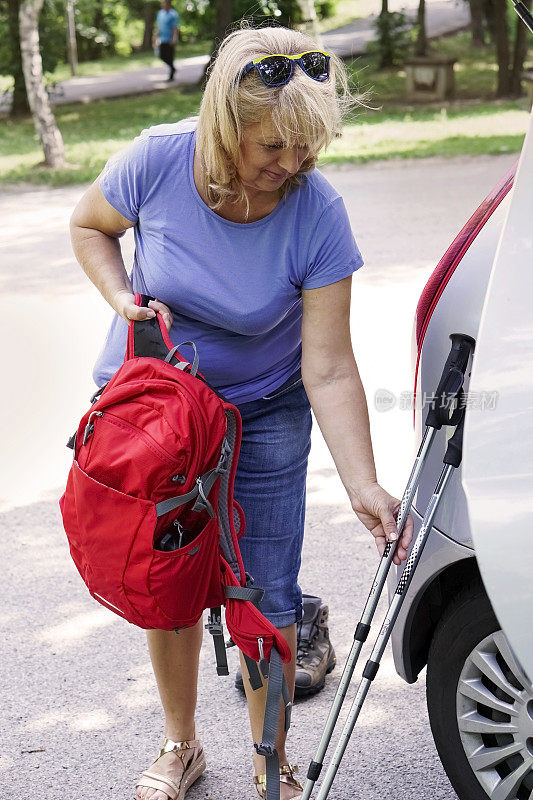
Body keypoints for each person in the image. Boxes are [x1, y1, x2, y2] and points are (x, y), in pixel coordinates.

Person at [69, 25, 413, 800]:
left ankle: (269, 762)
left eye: (306, 149)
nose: (290, 166)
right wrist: (120, 295)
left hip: (264, 407)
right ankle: (180, 744)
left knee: (266, 592)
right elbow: (89, 226)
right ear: (226, 127)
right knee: (169, 578)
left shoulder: (316, 212)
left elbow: (325, 365)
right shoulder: (156, 161)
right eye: (271, 149)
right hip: (160, 407)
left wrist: (362, 483)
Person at [155, 0, 179, 81]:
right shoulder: (160, 13)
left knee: (170, 57)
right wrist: (156, 38)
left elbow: (175, 28)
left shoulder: (173, 14)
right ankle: (173, 68)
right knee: (162, 56)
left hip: (170, 39)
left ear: (168, 3)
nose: (162, 4)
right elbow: (158, 27)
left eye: (164, 3)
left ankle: (171, 76)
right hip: (162, 39)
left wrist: (174, 39)